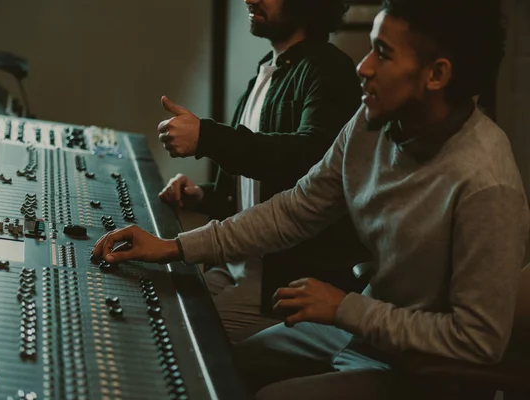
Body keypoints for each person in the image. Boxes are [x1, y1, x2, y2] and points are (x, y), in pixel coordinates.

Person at [93, 0, 527, 398]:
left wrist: (347, 308)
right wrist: (176, 248)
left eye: (383, 52)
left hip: (424, 372)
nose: (363, 66)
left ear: (436, 75)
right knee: (223, 367)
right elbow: (295, 210)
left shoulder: (486, 184)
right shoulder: (370, 124)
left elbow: (477, 341)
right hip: (366, 329)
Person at [154, 0, 370, 342]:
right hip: (235, 267)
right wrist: (205, 195)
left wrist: (207, 137)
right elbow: (255, 186)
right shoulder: (266, 70)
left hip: (277, 284)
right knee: (160, 303)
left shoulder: (327, 68)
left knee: (181, 337)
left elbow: (310, 161)